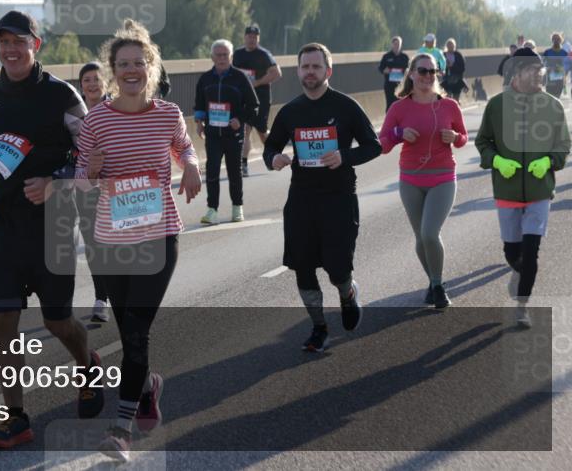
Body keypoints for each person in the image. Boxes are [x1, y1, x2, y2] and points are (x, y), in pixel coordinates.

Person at [0, 11, 103, 448]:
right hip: (4, 223)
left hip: (54, 223)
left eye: (18, 41)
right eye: (3, 42)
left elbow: (91, 153)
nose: (10, 49)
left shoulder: (62, 95)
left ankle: (88, 364)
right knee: (2, 318)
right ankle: (17, 417)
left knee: (58, 322)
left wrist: (55, 182)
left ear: (35, 45)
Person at [76, 20, 201, 462]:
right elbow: (81, 183)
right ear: (113, 71)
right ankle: (148, 385)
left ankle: (120, 430)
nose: (131, 70)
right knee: (131, 331)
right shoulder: (97, 120)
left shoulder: (167, 114)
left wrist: (190, 165)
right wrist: (90, 170)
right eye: (123, 64)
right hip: (111, 239)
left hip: (159, 236)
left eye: (139, 63)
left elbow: (184, 147)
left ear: (151, 66)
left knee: (135, 330)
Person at [263, 43, 381, 353]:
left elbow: (373, 146)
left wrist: (344, 156)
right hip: (302, 199)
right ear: (298, 71)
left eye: (316, 67)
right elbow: (270, 147)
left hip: (339, 198)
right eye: (305, 67)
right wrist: (274, 158)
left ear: (328, 71)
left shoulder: (346, 107)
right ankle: (318, 328)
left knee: (338, 269)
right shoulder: (291, 112)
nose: (310, 72)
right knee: (302, 268)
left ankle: (347, 295)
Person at [475, 48, 570, 327]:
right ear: (517, 74)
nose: (538, 74)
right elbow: (483, 143)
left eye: (540, 70)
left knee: (531, 252)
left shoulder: (552, 106)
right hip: (507, 191)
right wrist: (497, 161)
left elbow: (563, 145)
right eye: (532, 70)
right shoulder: (496, 106)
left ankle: (522, 306)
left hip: (540, 192)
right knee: (512, 253)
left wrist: (549, 162)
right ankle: (519, 272)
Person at [379, 53, 468, 309]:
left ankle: (439, 286)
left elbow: (463, 137)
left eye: (432, 71)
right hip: (410, 180)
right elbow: (382, 144)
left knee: (430, 233)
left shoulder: (449, 105)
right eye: (422, 71)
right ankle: (432, 281)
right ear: (411, 73)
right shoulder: (399, 108)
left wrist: (455, 137)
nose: (427, 76)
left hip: (442, 177)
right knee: (420, 237)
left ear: (437, 74)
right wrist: (398, 133)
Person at [194, 39, 259, 224]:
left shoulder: (240, 78)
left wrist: (240, 119)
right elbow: (199, 103)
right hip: (213, 134)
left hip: (233, 134)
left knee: (234, 172)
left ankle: (237, 207)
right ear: (212, 57)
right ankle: (212, 210)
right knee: (212, 171)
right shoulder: (205, 79)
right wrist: (199, 121)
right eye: (218, 55)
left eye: (225, 55)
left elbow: (254, 105)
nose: (222, 58)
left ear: (231, 57)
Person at [78, 61, 111, 323]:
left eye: (96, 79)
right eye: (87, 80)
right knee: (92, 243)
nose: (92, 84)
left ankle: (121, 291)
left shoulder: (117, 110)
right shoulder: (72, 115)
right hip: (86, 186)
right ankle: (102, 298)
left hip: (115, 188)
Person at [232, 23, 281, 177]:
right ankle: (243, 164)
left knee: (262, 132)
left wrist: (256, 83)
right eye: (249, 37)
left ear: (258, 38)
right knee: (245, 129)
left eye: (255, 37)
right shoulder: (238, 54)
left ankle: (272, 155)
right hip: (243, 99)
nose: (251, 40)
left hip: (261, 99)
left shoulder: (264, 54)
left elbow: (277, 73)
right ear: (244, 37)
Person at [378, 36, 409, 110]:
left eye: (398, 44)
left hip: (401, 85)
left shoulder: (405, 57)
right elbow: (380, 68)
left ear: (401, 45)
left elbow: (409, 69)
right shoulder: (386, 56)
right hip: (389, 85)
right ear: (392, 44)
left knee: (401, 104)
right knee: (390, 104)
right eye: (395, 44)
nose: (397, 46)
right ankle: (389, 120)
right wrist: (384, 70)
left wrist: (406, 72)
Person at [542, 32, 569, 98]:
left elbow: (567, 66)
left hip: (560, 79)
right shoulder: (547, 52)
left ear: (560, 40)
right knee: (550, 97)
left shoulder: (564, 53)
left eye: (558, 39)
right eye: (554, 39)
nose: (556, 41)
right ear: (552, 40)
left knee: (557, 98)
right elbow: (542, 64)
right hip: (549, 78)